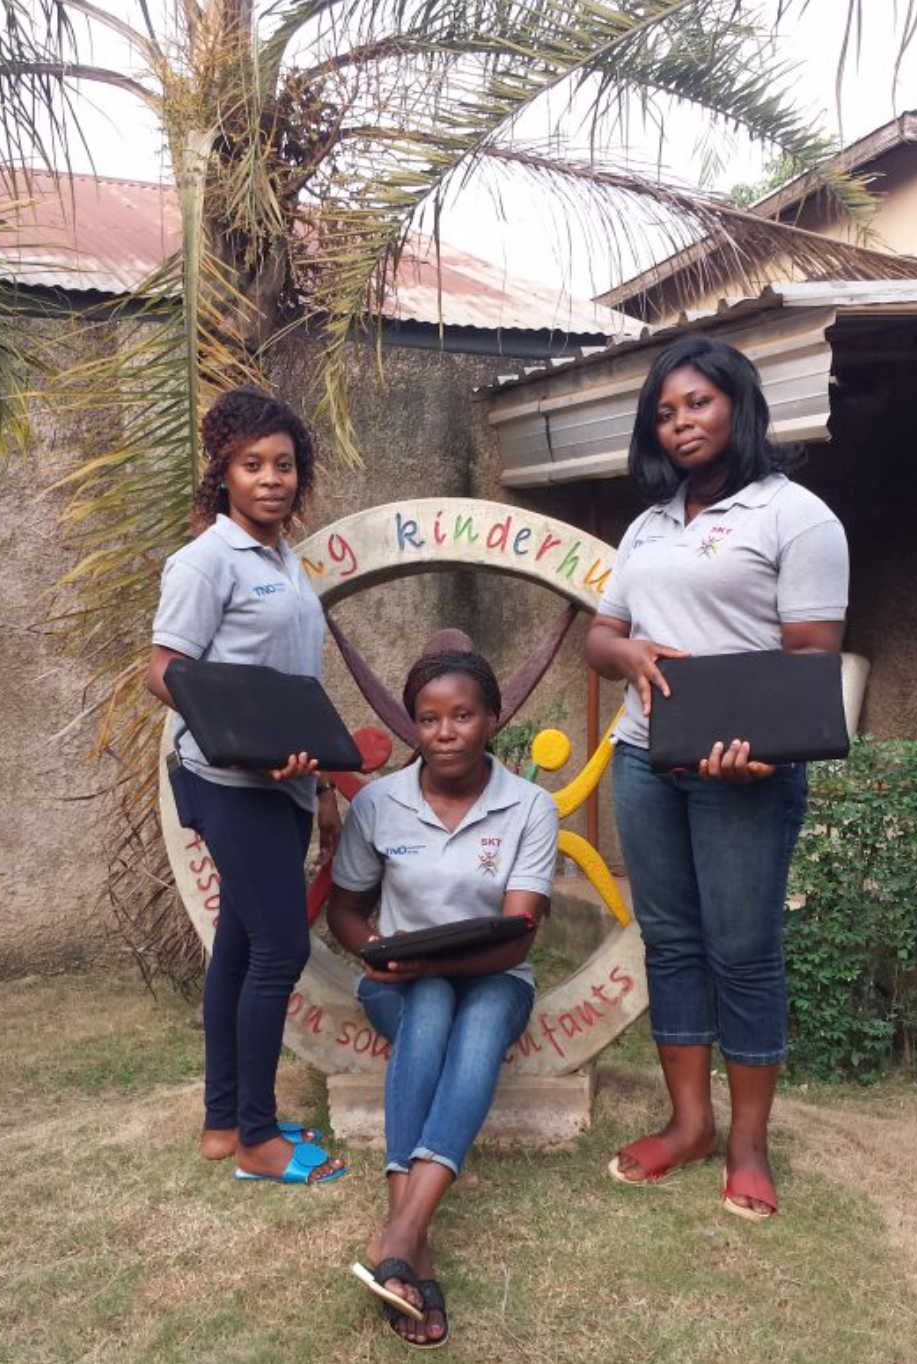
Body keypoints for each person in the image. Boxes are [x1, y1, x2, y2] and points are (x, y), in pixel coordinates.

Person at [585, 335, 848, 1221]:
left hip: (745, 770)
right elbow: (599, 639)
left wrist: (764, 748)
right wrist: (627, 648)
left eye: (696, 403)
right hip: (645, 760)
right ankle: (689, 1125)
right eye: (664, 412)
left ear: (738, 403)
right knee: (674, 943)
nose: (680, 423)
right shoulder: (648, 524)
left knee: (743, 952)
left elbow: (811, 658)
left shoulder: (797, 517)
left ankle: (748, 1145)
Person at [328, 648, 558, 1345]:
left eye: (463, 715)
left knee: (481, 1017)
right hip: (400, 985)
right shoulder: (377, 804)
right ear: (412, 728)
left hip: (497, 977)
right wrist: (376, 950)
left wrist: (431, 957)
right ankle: (408, 1251)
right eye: (428, 719)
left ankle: (400, 1237)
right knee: (429, 1006)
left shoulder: (530, 806)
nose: (446, 731)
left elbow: (519, 935)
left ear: (493, 719)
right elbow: (344, 910)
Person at [146, 385, 345, 1186]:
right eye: (252, 464)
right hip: (233, 783)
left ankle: (223, 1121)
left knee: (238, 943)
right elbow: (166, 671)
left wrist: (321, 782)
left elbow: (297, 684)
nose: (272, 479)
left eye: (285, 465)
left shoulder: (287, 563)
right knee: (281, 947)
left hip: (288, 784)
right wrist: (245, 746)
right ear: (222, 473)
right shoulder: (203, 562)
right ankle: (262, 1142)